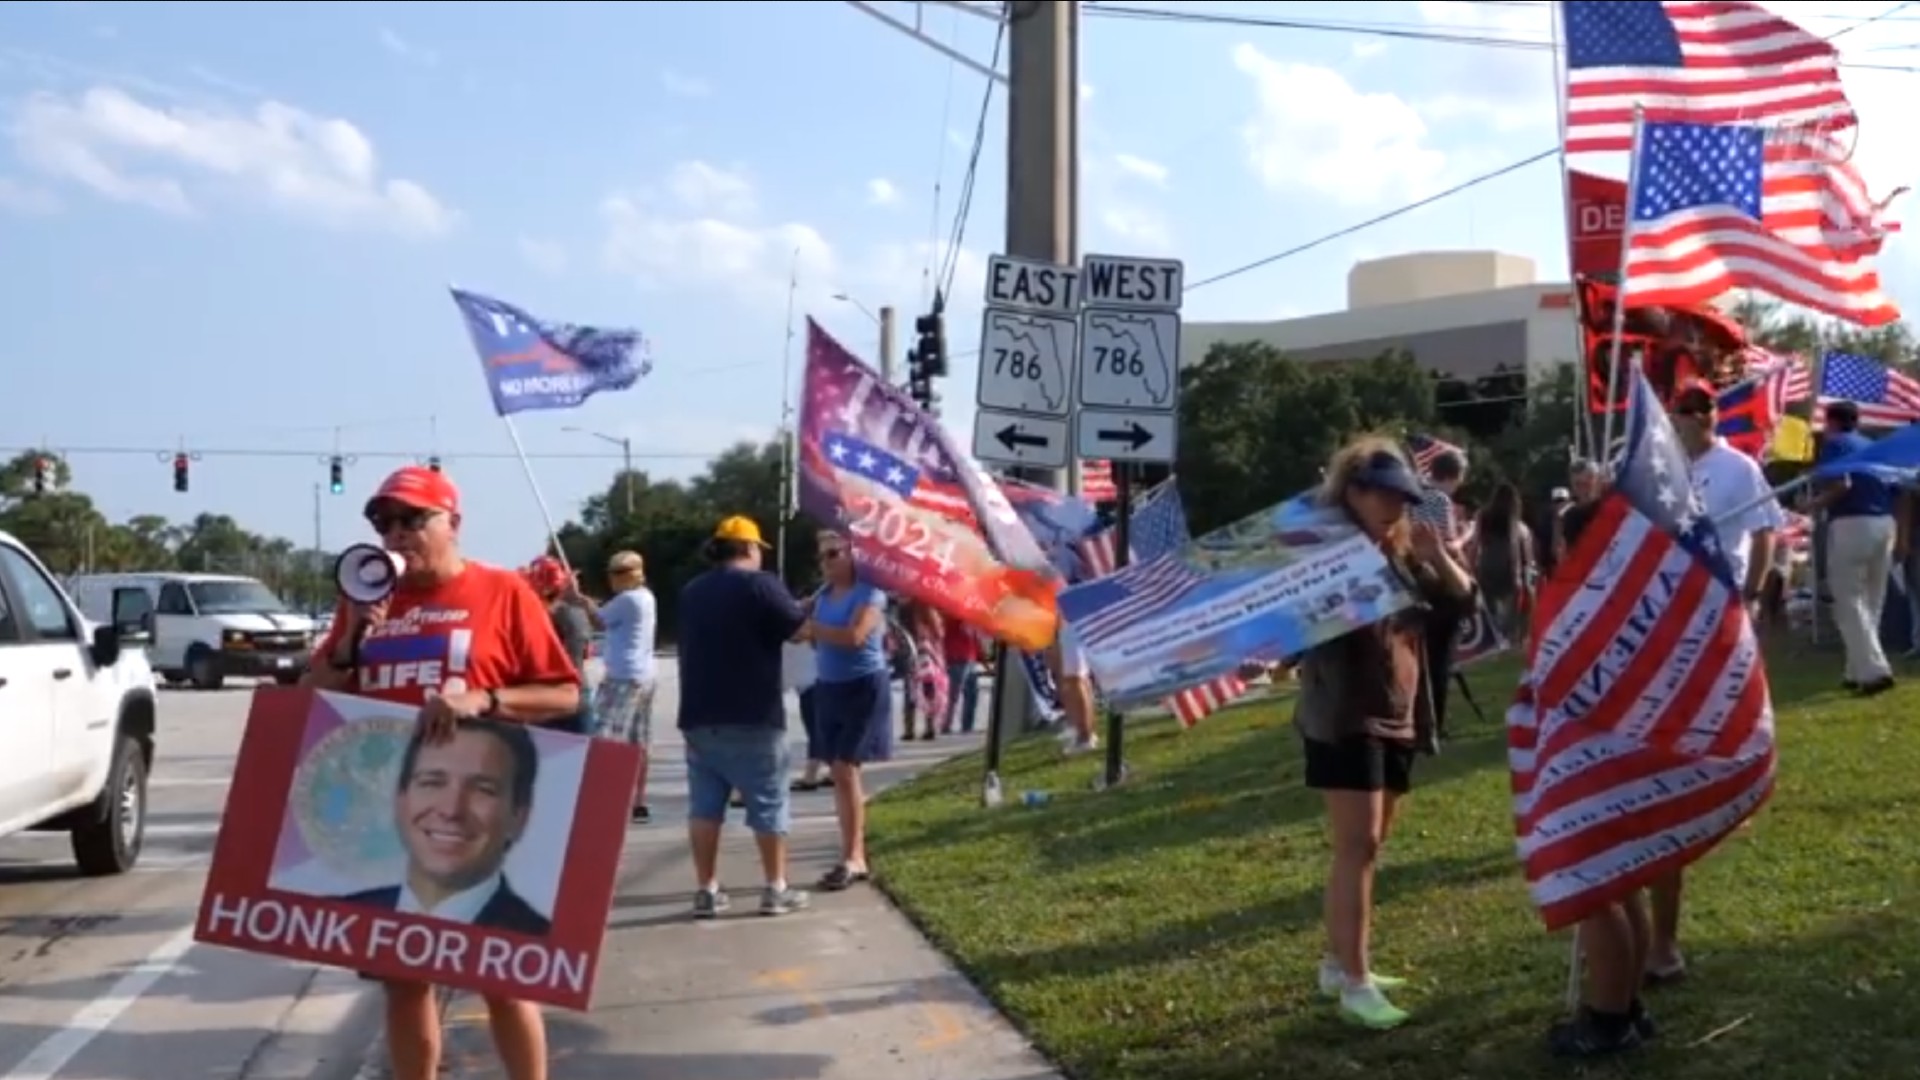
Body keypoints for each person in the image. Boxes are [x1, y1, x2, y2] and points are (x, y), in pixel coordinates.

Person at [304, 465, 580, 1080]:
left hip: (479, 814)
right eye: (384, 523)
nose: (396, 534)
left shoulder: (502, 591)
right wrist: (350, 639)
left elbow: (563, 692)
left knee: (501, 978)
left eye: (412, 519)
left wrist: (483, 699)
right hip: (391, 818)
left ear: (452, 522)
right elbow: (313, 694)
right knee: (404, 982)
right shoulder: (367, 598)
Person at [1293, 440, 1473, 1031]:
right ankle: (1355, 979)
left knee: (1371, 844)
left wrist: (1438, 556)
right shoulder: (1325, 556)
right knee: (1358, 846)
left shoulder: (1398, 551)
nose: (1394, 504)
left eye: (1402, 494)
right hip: (1344, 715)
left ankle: (1336, 962)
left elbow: (1460, 598)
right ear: (1351, 491)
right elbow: (1291, 631)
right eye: (1382, 492)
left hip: (1398, 711)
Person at [1640, 382, 1783, 989]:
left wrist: (1750, 593)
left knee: (1729, 709)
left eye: (1688, 414)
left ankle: (1727, 784)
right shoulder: (1656, 466)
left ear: (1708, 418)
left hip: (1720, 603)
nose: (1680, 422)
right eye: (1673, 413)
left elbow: (1767, 529)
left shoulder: (1737, 467)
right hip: (1665, 608)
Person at [676, 515, 811, 918]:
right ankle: (775, 888)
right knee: (768, 802)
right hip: (753, 712)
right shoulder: (761, 585)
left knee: (705, 808)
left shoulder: (692, 591)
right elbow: (799, 630)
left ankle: (706, 890)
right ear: (751, 549)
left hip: (699, 714)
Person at [341, 720, 552, 937]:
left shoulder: (541, 945)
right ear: (401, 801)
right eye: (432, 783)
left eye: (483, 789)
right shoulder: (335, 918)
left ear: (519, 816)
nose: (452, 810)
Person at [804, 531, 893, 891]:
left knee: (845, 768)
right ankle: (850, 852)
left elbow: (855, 636)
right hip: (829, 686)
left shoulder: (869, 593)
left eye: (833, 554)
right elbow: (808, 633)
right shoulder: (822, 596)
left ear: (854, 555)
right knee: (839, 773)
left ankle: (854, 856)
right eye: (822, 556)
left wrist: (813, 628)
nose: (826, 562)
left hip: (863, 687)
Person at [1811, 400, 1896, 695]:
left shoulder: (1835, 444)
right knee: (1872, 599)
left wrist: (1812, 505)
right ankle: (1855, 668)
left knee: (1848, 600)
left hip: (1851, 521)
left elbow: (1841, 484)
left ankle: (1874, 671)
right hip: (1884, 520)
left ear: (1832, 421)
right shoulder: (1871, 445)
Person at [587, 550, 659, 823]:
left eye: (616, 573)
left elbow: (598, 619)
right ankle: (638, 800)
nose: (611, 579)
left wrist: (577, 599)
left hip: (623, 677)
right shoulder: (645, 597)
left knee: (607, 738)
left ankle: (610, 798)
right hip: (644, 675)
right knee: (639, 741)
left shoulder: (628, 600)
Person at [525, 556, 594, 736]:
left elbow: (575, 654)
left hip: (565, 697)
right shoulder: (566, 611)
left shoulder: (568, 613)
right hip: (550, 697)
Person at [1467, 484, 1534, 644]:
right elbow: (1519, 548)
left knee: (1490, 609)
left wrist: (1469, 568)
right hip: (1510, 568)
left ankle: (1495, 640)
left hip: (1487, 566)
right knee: (1510, 610)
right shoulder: (1516, 523)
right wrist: (1523, 574)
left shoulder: (1483, 516)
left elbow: (1475, 544)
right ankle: (1509, 638)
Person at [1049, 625, 1100, 754]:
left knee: (1075, 678)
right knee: (1074, 678)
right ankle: (1081, 730)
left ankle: (1085, 737)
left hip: (1069, 623)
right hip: (1062, 623)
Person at [942, 613, 986, 734]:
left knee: (971, 694)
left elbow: (976, 640)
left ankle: (966, 725)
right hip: (959, 658)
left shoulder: (969, 619)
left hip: (968, 658)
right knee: (954, 694)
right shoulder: (953, 618)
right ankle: (947, 724)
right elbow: (946, 636)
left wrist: (983, 659)